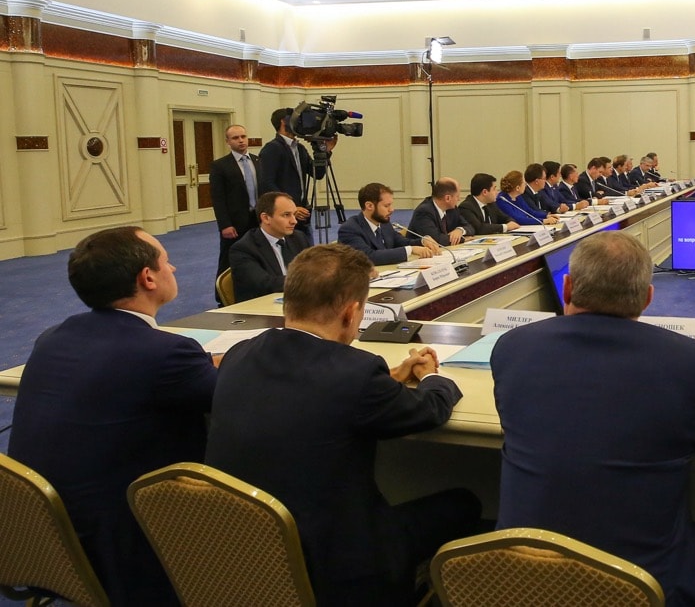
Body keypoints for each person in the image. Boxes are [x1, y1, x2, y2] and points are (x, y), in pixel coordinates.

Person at [206, 243, 481, 606]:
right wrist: (431, 376)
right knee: (465, 503)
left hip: (241, 552)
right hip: (338, 564)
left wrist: (391, 380)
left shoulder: (239, 354)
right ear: (352, 313)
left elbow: (309, 393)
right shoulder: (357, 373)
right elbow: (429, 411)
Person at [492, 231, 695, 606]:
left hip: (521, 579)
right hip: (641, 586)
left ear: (566, 287)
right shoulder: (689, 361)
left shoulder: (512, 347)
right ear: (648, 298)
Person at [9, 227, 218, 606]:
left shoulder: (53, 337)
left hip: (36, 537)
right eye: (165, 259)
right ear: (148, 277)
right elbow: (234, 398)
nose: (173, 266)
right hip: (126, 549)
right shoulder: (166, 354)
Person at [230, 191, 313, 300]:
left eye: (294, 214)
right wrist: (311, 281)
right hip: (262, 311)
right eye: (286, 215)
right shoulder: (243, 249)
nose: (294, 221)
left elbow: (313, 269)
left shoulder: (298, 238)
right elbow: (265, 284)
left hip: (298, 304)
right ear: (266, 218)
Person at [209, 123, 260, 296]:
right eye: (235, 138)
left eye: (243, 137)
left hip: (258, 219)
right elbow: (218, 199)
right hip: (235, 223)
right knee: (228, 260)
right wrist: (224, 225)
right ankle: (222, 295)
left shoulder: (258, 161)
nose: (241, 141)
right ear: (227, 142)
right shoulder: (220, 166)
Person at [257, 106, 322, 237]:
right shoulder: (271, 149)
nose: (300, 123)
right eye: (297, 119)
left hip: (302, 212)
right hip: (285, 215)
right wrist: (290, 208)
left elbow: (317, 174)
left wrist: (324, 151)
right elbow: (267, 184)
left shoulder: (300, 148)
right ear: (283, 122)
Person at [339, 182, 440, 265]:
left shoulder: (384, 224)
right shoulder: (350, 229)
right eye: (386, 206)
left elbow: (400, 242)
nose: (392, 209)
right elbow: (369, 257)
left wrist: (422, 241)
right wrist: (411, 249)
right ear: (369, 206)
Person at [407, 177, 474, 246]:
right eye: (457, 196)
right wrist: (462, 239)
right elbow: (436, 240)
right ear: (447, 198)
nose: (459, 199)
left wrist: (460, 230)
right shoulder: (423, 212)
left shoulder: (452, 209)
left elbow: (470, 227)